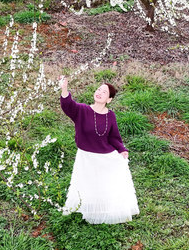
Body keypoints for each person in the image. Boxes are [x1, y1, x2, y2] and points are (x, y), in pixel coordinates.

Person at [59, 75, 139, 224]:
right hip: (86, 157)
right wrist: (64, 89)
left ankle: (105, 211)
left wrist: (121, 149)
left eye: (104, 92)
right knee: (86, 184)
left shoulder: (111, 116)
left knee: (104, 185)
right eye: (98, 89)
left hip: (105, 157)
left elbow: (114, 137)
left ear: (109, 99)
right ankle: (88, 210)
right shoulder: (82, 110)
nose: (100, 92)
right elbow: (68, 106)